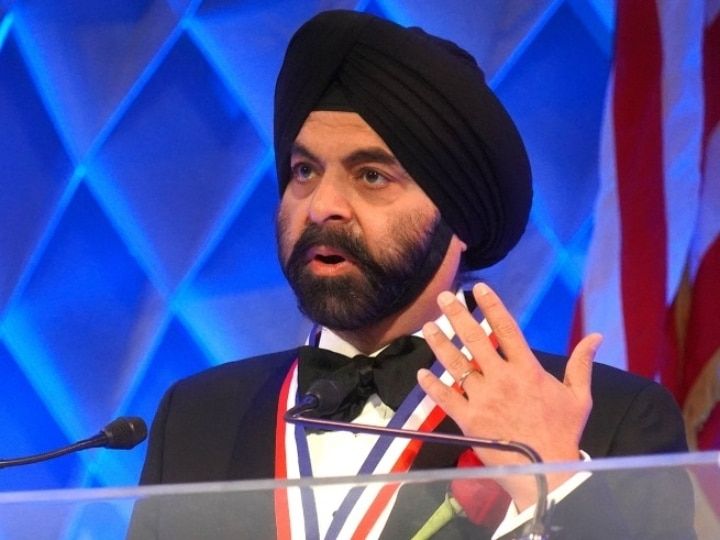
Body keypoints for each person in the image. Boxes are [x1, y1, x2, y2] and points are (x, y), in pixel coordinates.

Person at [131, 10, 692, 540]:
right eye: (304, 171)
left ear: (458, 217)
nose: (322, 205)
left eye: (371, 175)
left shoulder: (614, 421)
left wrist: (556, 481)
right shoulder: (197, 416)